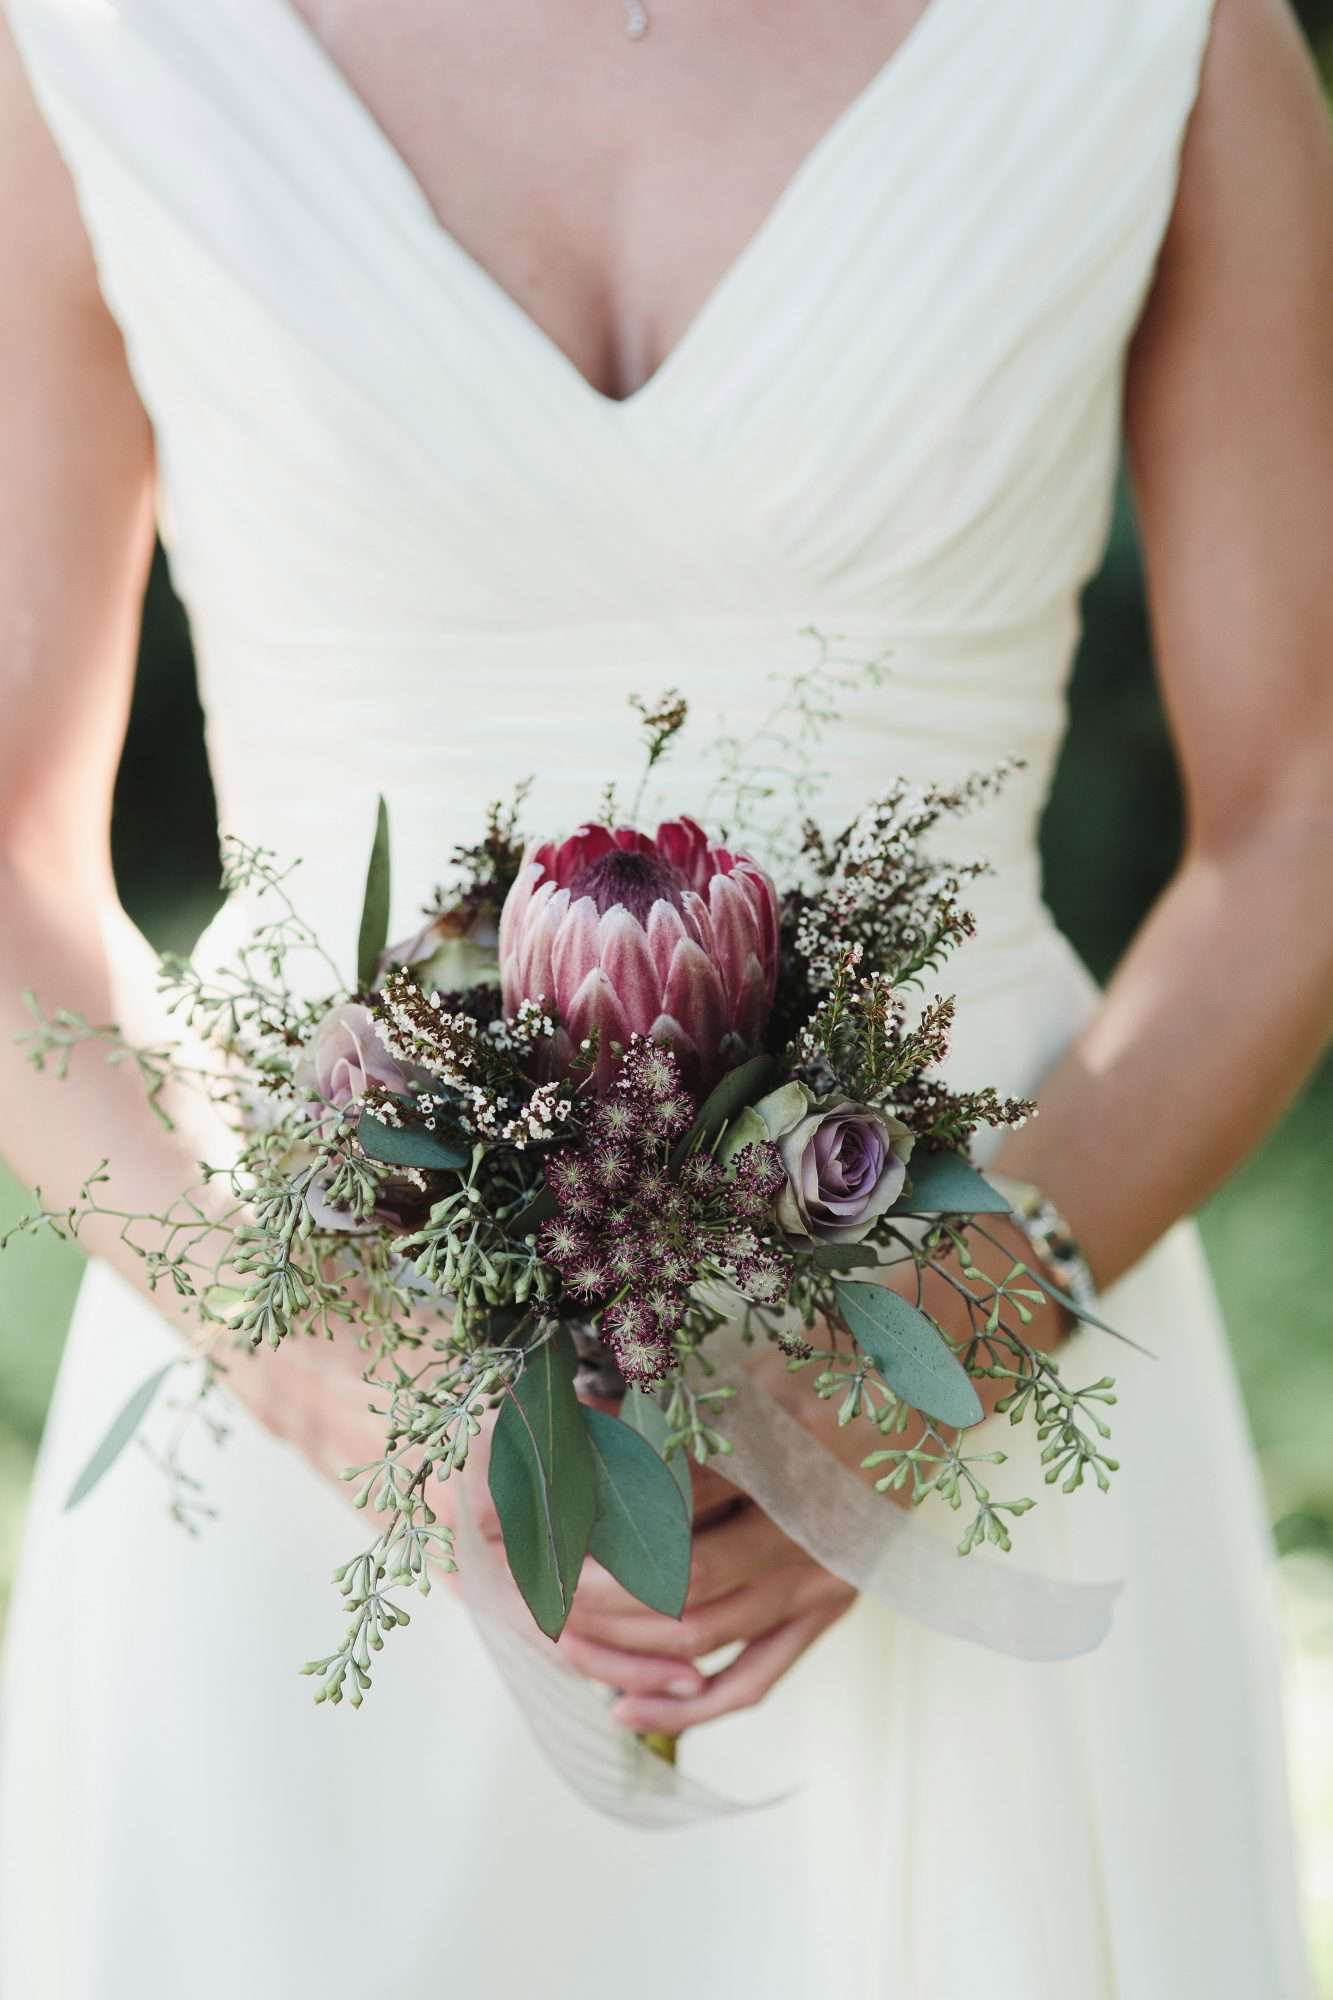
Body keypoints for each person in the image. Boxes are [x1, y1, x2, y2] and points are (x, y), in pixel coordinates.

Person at [0, 0, 1328, 1992]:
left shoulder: (1165, 30)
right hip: (293, 1423)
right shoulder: (94, 38)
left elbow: (1305, 801)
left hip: (971, 1386)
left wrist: (950, 1336)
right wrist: (329, 1385)